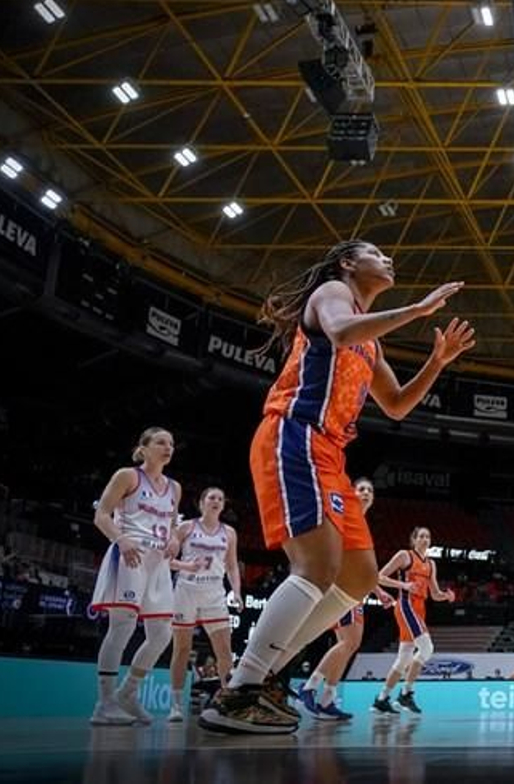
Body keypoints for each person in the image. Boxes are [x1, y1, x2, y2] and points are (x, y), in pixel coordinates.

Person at [199, 242, 475, 735]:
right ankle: (240, 689)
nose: (389, 259)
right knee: (317, 566)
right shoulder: (333, 293)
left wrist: (436, 362)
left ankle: (264, 677)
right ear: (349, 264)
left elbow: (394, 405)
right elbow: (341, 330)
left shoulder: (373, 344)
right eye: (377, 252)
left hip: (331, 454)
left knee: (358, 578)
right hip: (296, 432)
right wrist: (417, 309)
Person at [89, 427, 181, 726]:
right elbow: (101, 515)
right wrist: (120, 539)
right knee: (123, 627)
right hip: (131, 554)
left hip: (158, 563)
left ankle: (128, 692)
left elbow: (170, 525)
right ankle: (104, 703)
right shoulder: (127, 476)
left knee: (163, 633)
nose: (168, 447)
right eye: (161, 442)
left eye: (171, 443)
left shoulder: (174, 488)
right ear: (143, 448)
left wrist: (175, 540)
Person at [298, 479, 394, 721]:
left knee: (349, 644)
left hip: (354, 589)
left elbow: (362, 566)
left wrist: (379, 592)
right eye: (361, 489)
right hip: (341, 586)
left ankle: (327, 699)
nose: (365, 493)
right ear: (352, 494)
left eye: (370, 490)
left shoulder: (361, 523)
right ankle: (309, 686)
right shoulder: (345, 518)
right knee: (348, 642)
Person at [166, 486, 243, 722]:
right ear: (201, 503)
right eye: (212, 497)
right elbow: (167, 560)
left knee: (224, 652)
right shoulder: (187, 527)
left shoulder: (229, 533)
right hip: (186, 591)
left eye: (220, 498)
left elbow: (231, 566)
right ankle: (176, 705)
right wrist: (186, 566)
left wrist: (237, 592)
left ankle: (226, 701)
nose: (217, 501)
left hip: (214, 594)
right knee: (181, 649)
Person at [372, 526, 457, 714]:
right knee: (427, 648)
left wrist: (446, 596)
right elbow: (379, 577)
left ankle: (382, 699)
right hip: (405, 606)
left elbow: (434, 594)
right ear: (414, 539)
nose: (425, 539)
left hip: (420, 609)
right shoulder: (405, 556)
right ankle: (406, 693)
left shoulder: (431, 564)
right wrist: (404, 584)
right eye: (421, 536)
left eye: (428, 536)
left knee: (403, 660)